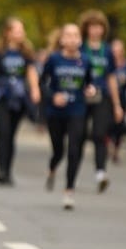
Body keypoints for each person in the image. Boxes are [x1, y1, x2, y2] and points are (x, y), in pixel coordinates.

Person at [0, 17, 42, 186]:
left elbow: (31, 72)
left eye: (22, 30)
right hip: (2, 97)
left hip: (18, 98)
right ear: (7, 33)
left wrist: (35, 89)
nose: (20, 34)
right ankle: (1, 170)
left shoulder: (26, 54)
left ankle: (8, 170)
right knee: (3, 132)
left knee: (11, 135)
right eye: (16, 30)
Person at [41, 23, 95, 210]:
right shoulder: (54, 59)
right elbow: (43, 83)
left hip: (77, 110)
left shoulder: (86, 60)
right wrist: (53, 96)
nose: (72, 39)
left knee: (74, 149)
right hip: (56, 112)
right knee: (58, 150)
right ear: (62, 40)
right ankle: (52, 167)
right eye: (68, 36)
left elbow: (90, 82)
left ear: (80, 40)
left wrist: (90, 89)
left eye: (75, 35)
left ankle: (69, 190)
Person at [78, 10, 124, 192]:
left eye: (99, 27)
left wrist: (117, 104)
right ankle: (73, 170)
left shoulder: (107, 51)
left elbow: (111, 77)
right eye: (92, 27)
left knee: (100, 133)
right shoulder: (80, 48)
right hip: (82, 96)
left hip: (102, 96)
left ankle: (100, 172)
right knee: (79, 134)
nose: (96, 30)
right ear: (86, 29)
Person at [107, 38, 126, 164]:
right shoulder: (107, 64)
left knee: (120, 126)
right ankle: (108, 146)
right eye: (114, 49)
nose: (116, 52)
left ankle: (116, 150)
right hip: (108, 99)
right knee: (108, 124)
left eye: (119, 49)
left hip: (123, 99)